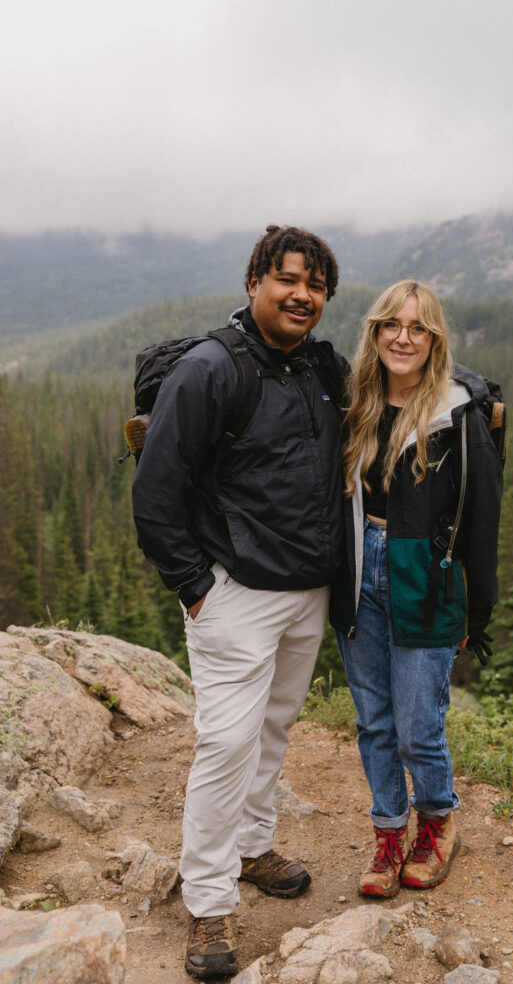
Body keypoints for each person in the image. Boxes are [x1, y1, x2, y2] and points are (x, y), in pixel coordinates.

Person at [132, 225, 346, 980]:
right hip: (234, 594)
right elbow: (156, 492)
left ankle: (253, 846)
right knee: (226, 744)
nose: (302, 296)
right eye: (287, 280)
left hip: (306, 592)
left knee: (275, 728)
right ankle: (210, 904)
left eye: (316, 286)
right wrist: (195, 588)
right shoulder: (210, 370)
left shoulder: (320, 368)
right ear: (253, 281)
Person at [334, 279, 502, 899]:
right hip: (360, 572)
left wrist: (474, 613)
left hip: (427, 579)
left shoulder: (455, 416)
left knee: (417, 724)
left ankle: (436, 821)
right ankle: (387, 833)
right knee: (374, 720)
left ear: (435, 340)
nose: (403, 337)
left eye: (418, 327)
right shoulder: (359, 404)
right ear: (375, 333)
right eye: (391, 325)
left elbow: (483, 519)